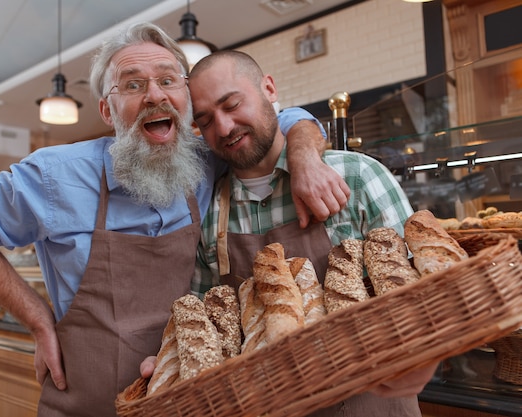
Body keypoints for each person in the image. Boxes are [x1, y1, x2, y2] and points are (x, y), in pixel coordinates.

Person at [0, 23, 349, 417]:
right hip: (86, 403)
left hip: (191, 401)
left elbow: (281, 116)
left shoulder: (204, 158)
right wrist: (39, 321)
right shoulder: (52, 175)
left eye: (169, 80)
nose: (155, 94)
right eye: (133, 84)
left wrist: (304, 155)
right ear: (106, 109)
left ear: (186, 102)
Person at [184, 50, 436, 416]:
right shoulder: (210, 216)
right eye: (205, 121)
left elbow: (424, 291)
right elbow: (214, 333)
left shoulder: (358, 176)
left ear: (269, 88)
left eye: (232, 104)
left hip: (377, 399)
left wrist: (423, 354)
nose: (223, 128)